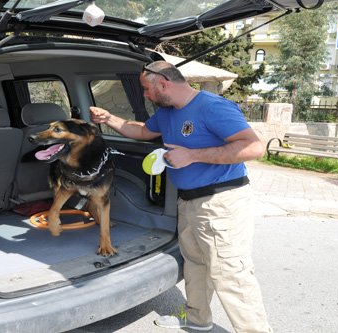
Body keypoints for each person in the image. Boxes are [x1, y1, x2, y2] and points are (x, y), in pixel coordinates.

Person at [90, 61, 271, 332]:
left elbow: (254, 147)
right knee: (195, 264)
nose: (145, 96)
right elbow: (140, 131)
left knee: (231, 274)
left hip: (221, 202)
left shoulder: (212, 107)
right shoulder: (166, 113)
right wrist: (108, 119)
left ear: (163, 83)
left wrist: (193, 155)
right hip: (188, 201)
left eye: (146, 89)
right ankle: (198, 320)